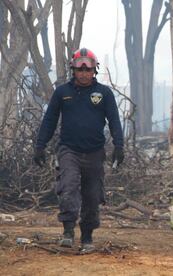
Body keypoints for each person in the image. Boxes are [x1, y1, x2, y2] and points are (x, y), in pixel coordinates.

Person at [33, 48, 124, 253]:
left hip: (95, 152)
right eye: (79, 70)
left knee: (92, 195)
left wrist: (119, 146)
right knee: (68, 187)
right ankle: (67, 231)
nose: (84, 74)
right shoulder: (62, 92)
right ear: (73, 70)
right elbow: (49, 120)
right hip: (69, 150)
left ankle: (87, 236)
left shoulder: (104, 93)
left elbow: (114, 121)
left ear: (94, 71)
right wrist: (40, 145)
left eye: (88, 70)